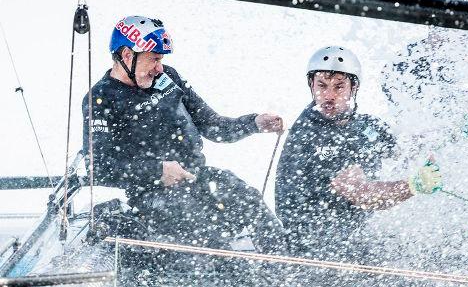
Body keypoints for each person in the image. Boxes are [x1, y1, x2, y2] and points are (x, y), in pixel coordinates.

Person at [82, 15, 287, 262]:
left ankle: (285, 270)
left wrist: (253, 123)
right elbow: (99, 167)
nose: (159, 67)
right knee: (210, 244)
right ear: (127, 55)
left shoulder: (168, 77)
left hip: (199, 178)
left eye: (161, 60)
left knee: (249, 200)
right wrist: (157, 171)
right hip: (154, 196)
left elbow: (213, 125)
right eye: (154, 59)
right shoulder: (101, 98)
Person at [274, 45, 443, 269]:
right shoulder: (312, 135)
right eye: (322, 86)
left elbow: (402, 148)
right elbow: (362, 195)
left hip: (350, 240)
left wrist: (448, 134)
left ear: (353, 88)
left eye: (339, 87)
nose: (329, 96)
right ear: (311, 86)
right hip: (317, 253)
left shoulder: (364, 125)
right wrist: (413, 185)